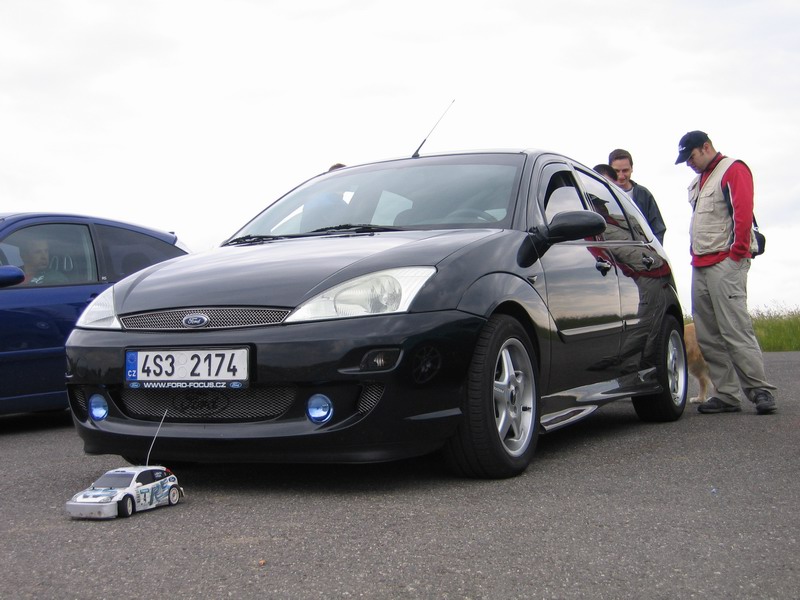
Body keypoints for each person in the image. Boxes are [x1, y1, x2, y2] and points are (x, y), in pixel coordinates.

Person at [674, 130, 777, 415]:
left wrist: (737, 254)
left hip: (726, 262)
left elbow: (743, 212)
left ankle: (760, 391)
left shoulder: (733, 169)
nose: (689, 163)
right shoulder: (699, 181)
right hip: (700, 264)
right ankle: (727, 394)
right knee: (707, 335)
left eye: (691, 156)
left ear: (706, 147)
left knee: (735, 329)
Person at [608, 149, 667, 244]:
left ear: (632, 168)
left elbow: (658, 229)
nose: (621, 176)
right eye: (616, 171)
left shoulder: (644, 194)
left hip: (641, 249)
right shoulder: (602, 194)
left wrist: (653, 250)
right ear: (609, 170)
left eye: (625, 170)